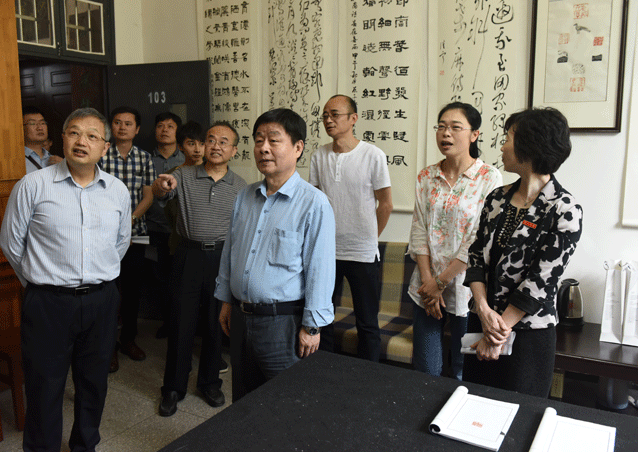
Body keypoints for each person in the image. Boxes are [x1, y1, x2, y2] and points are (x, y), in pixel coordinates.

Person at [0, 108, 131, 452]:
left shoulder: (117, 190)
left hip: (102, 300)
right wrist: (39, 283)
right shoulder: (33, 185)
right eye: (74, 133)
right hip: (48, 302)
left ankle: (84, 445)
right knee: (44, 385)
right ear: (62, 138)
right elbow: (11, 243)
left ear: (105, 147)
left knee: (94, 383)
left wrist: (96, 275)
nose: (81, 141)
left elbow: (120, 243)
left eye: (92, 136)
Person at [215, 108, 336, 402]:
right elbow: (231, 252)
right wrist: (226, 301)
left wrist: (312, 326)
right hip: (241, 318)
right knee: (243, 402)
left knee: (285, 405)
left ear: (298, 148)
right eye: (258, 140)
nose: (263, 148)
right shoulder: (244, 196)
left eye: (273, 140)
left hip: (283, 325)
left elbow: (320, 269)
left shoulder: (314, 203)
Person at [462, 107, 583, 398]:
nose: (502, 146)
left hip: (528, 335)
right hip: (481, 322)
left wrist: (497, 334)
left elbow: (540, 281)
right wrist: (483, 311)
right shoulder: (496, 198)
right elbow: (476, 256)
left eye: (508, 138)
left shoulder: (565, 209)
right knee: (474, 410)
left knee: (521, 415)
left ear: (530, 145)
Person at [152, 122, 247, 415]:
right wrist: (160, 187)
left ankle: (209, 383)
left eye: (223, 142)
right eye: (210, 140)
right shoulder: (183, 176)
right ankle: (173, 387)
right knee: (181, 323)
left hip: (222, 259)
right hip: (188, 255)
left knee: (215, 324)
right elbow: (162, 192)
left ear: (234, 150)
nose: (216, 146)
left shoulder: (241, 186)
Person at [408, 102, 502, 380]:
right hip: (425, 286)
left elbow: (478, 238)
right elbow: (419, 228)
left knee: (465, 368)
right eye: (441, 126)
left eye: (455, 127)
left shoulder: (489, 177)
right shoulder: (427, 176)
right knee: (426, 369)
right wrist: (429, 282)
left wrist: (441, 282)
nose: (445, 133)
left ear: (474, 134)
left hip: (467, 289)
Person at [309, 94, 393, 362]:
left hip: (362, 254)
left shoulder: (372, 155)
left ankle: (368, 376)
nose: (328, 120)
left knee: (367, 322)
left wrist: (369, 238)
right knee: (322, 317)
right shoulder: (319, 155)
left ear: (353, 118)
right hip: (327, 252)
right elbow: (315, 202)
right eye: (325, 116)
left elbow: (386, 204)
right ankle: (324, 369)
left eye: (334, 114)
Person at [99, 106, 156, 372]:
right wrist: (117, 227)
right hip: (105, 237)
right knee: (108, 293)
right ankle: (108, 346)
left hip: (136, 234)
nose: (122, 127)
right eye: (117, 122)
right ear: (111, 126)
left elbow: (148, 196)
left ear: (137, 129)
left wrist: (129, 221)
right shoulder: (100, 155)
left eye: (128, 123)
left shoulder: (144, 158)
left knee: (132, 292)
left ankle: (129, 340)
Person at [155, 120, 206, 340]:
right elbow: (169, 210)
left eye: (202, 143)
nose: (197, 149)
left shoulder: (214, 173)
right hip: (179, 242)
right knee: (177, 293)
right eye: (191, 143)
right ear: (181, 146)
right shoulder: (173, 175)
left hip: (208, 246)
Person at [147, 112, 185, 340]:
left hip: (181, 232)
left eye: (170, 126)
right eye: (160, 126)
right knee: (161, 280)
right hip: (155, 229)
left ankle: (183, 325)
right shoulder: (146, 159)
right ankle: (168, 323)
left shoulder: (187, 159)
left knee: (183, 281)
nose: (164, 130)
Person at [22, 106, 62, 174]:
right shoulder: (17, 160)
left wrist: (65, 168)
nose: (40, 128)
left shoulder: (55, 160)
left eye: (42, 123)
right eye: (32, 123)